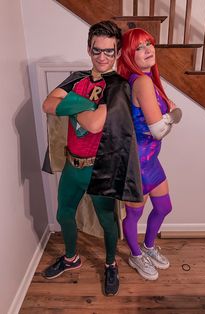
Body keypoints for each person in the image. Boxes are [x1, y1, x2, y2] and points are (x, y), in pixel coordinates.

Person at [41, 21, 142, 296]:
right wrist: (87, 104)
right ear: (89, 49)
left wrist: (71, 105)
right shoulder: (76, 77)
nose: (102, 57)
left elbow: (96, 125)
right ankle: (71, 258)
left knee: (108, 222)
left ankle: (111, 264)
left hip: (100, 169)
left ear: (118, 52)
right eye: (97, 50)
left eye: (109, 51)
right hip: (72, 166)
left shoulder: (119, 86)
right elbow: (48, 104)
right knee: (64, 214)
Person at [117, 28, 182, 280]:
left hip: (150, 161)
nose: (147, 50)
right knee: (134, 213)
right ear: (129, 55)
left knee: (164, 207)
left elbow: (159, 120)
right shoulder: (141, 81)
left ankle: (149, 246)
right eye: (139, 48)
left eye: (149, 44)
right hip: (136, 164)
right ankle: (135, 254)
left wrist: (168, 117)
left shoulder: (147, 78)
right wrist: (173, 117)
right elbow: (157, 130)